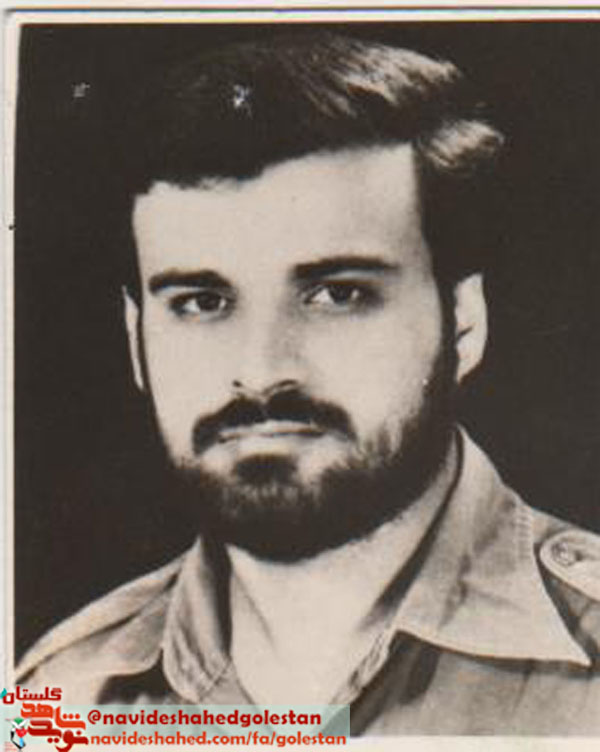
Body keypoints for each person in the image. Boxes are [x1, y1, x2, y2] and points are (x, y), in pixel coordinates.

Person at [17, 33, 600, 734]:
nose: (262, 370)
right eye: (201, 303)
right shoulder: (62, 699)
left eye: (337, 294)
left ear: (463, 323)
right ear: (137, 338)